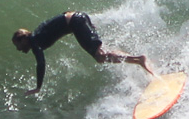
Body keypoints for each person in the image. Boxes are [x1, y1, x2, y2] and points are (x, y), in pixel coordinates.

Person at [11, 11, 152, 95]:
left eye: (18, 45)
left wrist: (38, 87)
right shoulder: (37, 34)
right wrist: (84, 23)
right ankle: (137, 60)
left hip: (76, 22)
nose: (18, 49)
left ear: (23, 39)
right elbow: (61, 17)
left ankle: (139, 59)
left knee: (100, 56)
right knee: (101, 55)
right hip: (77, 19)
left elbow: (41, 63)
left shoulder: (35, 42)